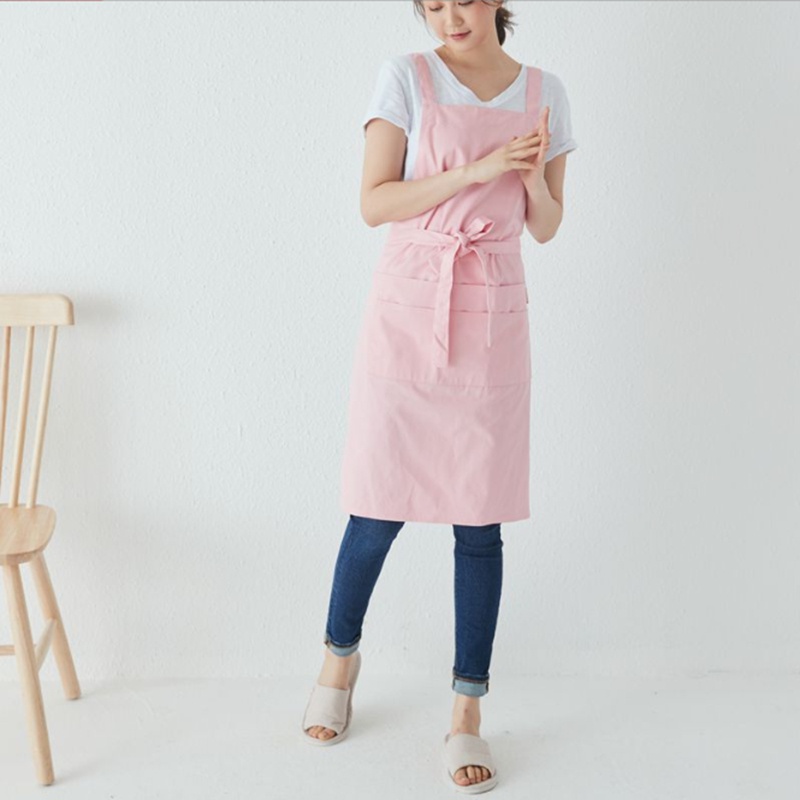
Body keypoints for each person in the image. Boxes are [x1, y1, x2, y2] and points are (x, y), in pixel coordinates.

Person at [301, 0, 577, 792]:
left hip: (491, 310)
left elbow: (548, 226)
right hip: (410, 305)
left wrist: (530, 179)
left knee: (480, 520)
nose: (449, 16)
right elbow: (374, 203)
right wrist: (475, 172)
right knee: (375, 504)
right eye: (433, 4)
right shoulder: (407, 78)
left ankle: (466, 711)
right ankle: (338, 662)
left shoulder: (546, 92)